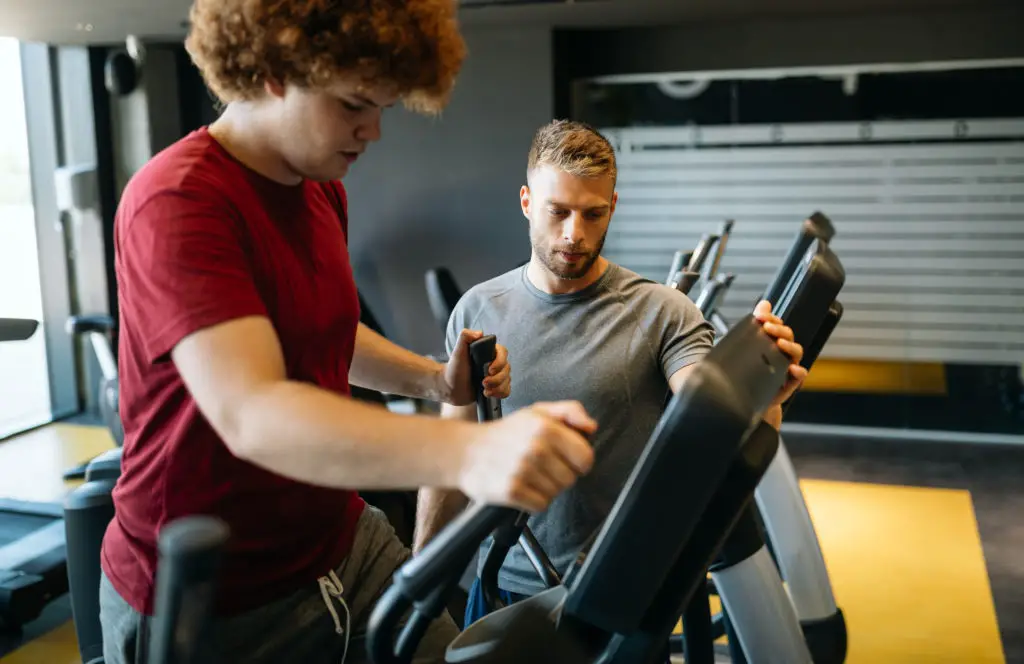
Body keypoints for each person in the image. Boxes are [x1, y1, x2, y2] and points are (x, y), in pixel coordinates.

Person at [98, 3, 599, 663]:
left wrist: (432, 376)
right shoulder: (179, 201)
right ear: (276, 69)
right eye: (356, 105)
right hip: (218, 594)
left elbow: (324, 329)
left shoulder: (316, 189)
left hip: (341, 541)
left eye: (384, 109)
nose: (373, 131)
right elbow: (253, 414)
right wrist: (471, 453)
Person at [412, 119, 808, 628]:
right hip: (506, 585)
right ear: (527, 202)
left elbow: (713, 429)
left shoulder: (665, 312)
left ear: (612, 208)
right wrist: (417, 577)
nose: (574, 233)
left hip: (619, 591)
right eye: (558, 212)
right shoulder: (477, 310)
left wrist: (763, 399)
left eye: (593, 214)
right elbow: (453, 448)